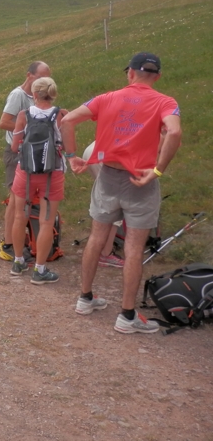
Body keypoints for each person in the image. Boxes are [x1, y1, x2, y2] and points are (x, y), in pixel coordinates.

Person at [61, 52, 181, 334]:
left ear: (130, 73)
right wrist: (158, 170)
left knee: (96, 237)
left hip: (107, 177)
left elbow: (67, 121)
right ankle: (126, 315)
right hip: (141, 181)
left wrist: (71, 156)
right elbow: (174, 133)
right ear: (157, 76)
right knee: (134, 248)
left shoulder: (106, 98)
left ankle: (85, 299)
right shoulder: (166, 102)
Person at [8, 77, 64, 284]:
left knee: (19, 217)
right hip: (52, 174)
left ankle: (18, 261)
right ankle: (39, 270)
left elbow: (15, 147)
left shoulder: (24, 115)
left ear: (34, 94)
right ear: (53, 93)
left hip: (26, 173)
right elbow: (67, 146)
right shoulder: (60, 115)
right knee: (46, 221)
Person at [0, 61, 51, 257]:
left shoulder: (36, 97)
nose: (44, 82)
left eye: (47, 79)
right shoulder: (18, 95)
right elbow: (4, 122)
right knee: (14, 200)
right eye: (41, 78)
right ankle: (8, 245)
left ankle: (19, 241)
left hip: (31, 154)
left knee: (22, 201)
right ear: (29, 75)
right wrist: (30, 129)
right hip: (16, 153)